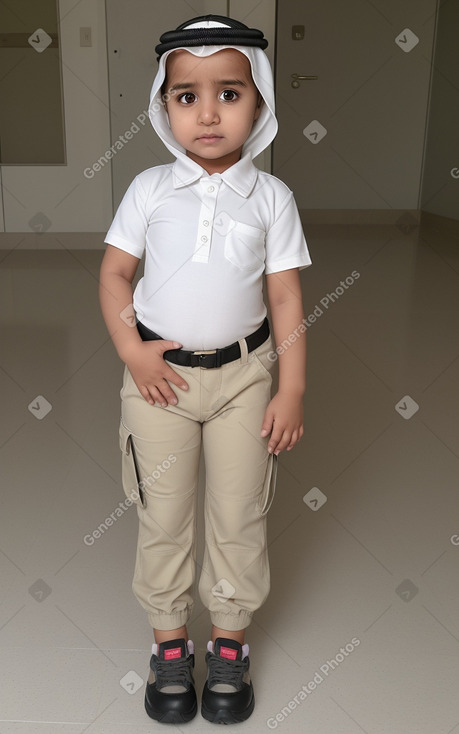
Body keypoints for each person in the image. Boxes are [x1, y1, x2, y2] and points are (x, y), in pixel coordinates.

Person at [99, 14, 312, 725]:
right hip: (160, 381)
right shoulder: (149, 191)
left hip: (243, 383)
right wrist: (131, 350)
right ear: (164, 108)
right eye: (186, 96)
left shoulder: (271, 199)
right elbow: (114, 275)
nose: (209, 112)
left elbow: (283, 295)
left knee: (238, 516)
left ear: (261, 102)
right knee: (162, 517)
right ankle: (167, 647)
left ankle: (227, 645)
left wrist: (291, 385)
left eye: (230, 92)